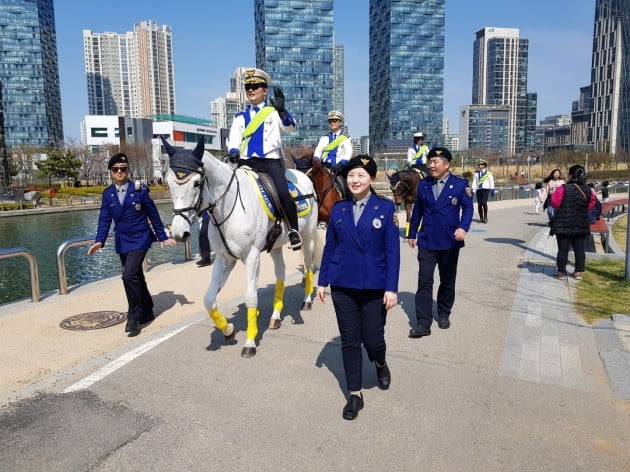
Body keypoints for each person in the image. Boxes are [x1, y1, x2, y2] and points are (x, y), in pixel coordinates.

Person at [316, 155, 400, 421]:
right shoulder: (339, 209)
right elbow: (330, 246)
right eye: (352, 175)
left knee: (374, 340)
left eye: (361, 175)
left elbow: (392, 252)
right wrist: (322, 280)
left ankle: (379, 362)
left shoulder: (385, 210)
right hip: (343, 285)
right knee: (350, 341)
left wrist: (392, 288)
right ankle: (355, 394)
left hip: (375, 285)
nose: (355, 180)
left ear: (371, 179)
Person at [88, 153, 176, 335]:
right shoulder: (108, 194)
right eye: (116, 169)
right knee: (136, 276)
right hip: (122, 240)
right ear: (111, 172)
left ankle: (134, 316)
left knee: (128, 275)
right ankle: (147, 309)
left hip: (140, 237)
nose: (120, 172)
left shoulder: (140, 190)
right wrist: (99, 240)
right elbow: (104, 220)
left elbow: (153, 214)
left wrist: (161, 236)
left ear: (128, 170)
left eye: (123, 169)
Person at [226, 68, 302, 250]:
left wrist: (283, 111)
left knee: (283, 193)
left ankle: (293, 231)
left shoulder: (273, 113)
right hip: (246, 162)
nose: (251, 90)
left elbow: (292, 127)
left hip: (270, 162)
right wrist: (234, 151)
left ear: (265, 90)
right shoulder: (239, 117)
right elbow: (234, 139)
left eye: (256, 86)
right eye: (248, 87)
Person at [407, 147, 473, 338]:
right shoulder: (424, 184)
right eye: (430, 162)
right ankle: (423, 322)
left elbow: (468, 209)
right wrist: (412, 233)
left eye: (435, 162)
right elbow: (417, 210)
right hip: (427, 240)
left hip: (450, 241)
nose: (431, 165)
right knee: (424, 281)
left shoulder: (460, 184)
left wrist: (464, 227)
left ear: (447, 164)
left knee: (447, 281)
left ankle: (443, 313)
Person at [550, 164, 596, 281]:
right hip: (580, 223)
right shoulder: (589, 190)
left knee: (563, 249)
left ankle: (561, 273)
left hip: (563, 223)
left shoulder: (562, 188)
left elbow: (555, 203)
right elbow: (591, 205)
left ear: (570, 175)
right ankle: (577, 272)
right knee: (579, 249)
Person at [472, 159, 495, 223]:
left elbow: (491, 181)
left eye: (481, 164)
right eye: (479, 164)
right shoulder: (476, 173)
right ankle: (481, 218)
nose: (480, 165)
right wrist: (473, 190)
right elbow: (474, 182)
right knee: (479, 204)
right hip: (479, 190)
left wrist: (492, 189)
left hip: (486, 189)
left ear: (485, 165)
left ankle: (485, 217)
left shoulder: (488, 173)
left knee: (484, 203)